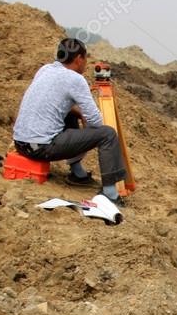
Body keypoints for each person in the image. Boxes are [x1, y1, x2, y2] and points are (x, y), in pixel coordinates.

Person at [13, 37, 127, 203]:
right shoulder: (75, 79)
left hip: (21, 143)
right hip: (41, 148)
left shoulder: (45, 69)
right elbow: (96, 121)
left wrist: (78, 113)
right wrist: (86, 117)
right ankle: (111, 193)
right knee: (107, 134)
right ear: (79, 59)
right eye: (86, 59)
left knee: (70, 112)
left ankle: (77, 173)